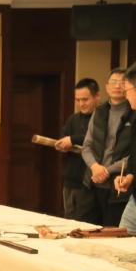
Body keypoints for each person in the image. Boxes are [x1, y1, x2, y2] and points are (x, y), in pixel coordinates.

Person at [82, 68, 135, 226]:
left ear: (128, 86)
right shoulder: (99, 111)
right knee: (86, 229)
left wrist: (107, 170)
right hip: (93, 182)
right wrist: (95, 167)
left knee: (112, 230)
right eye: (113, 82)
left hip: (118, 184)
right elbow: (87, 146)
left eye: (122, 82)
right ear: (106, 87)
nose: (117, 86)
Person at [54, 78, 101, 222]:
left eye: (85, 99)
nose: (81, 104)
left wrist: (73, 139)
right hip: (70, 179)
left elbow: (95, 138)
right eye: (78, 100)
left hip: (90, 181)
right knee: (69, 220)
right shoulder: (73, 119)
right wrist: (62, 145)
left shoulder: (102, 118)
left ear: (97, 97)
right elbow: (63, 138)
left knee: (85, 223)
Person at [113, 61, 136, 234]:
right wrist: (130, 176)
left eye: (127, 91)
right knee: (120, 248)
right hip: (135, 201)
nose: (126, 96)